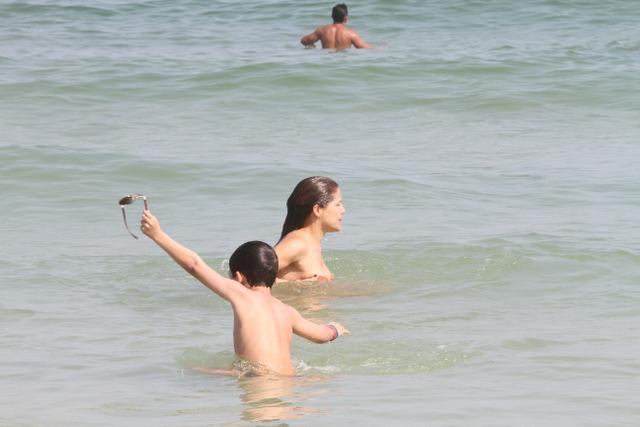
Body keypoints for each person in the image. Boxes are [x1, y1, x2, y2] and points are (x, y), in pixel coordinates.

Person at [140, 209, 348, 376]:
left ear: (239, 278)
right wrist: (334, 330)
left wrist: (157, 235)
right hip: (288, 381)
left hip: (258, 378)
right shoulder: (287, 311)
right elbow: (321, 336)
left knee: (188, 373)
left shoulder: (242, 294)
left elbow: (194, 264)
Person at [275, 177, 345, 282]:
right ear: (317, 210)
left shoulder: (312, 244)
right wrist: (297, 285)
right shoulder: (297, 244)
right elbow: (247, 275)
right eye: (338, 204)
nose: (343, 210)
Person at [300, 4, 372, 49]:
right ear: (346, 18)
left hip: (326, 63)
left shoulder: (322, 30)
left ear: (332, 16)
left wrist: (312, 45)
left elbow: (304, 41)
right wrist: (380, 48)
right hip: (342, 66)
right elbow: (364, 47)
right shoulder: (351, 34)